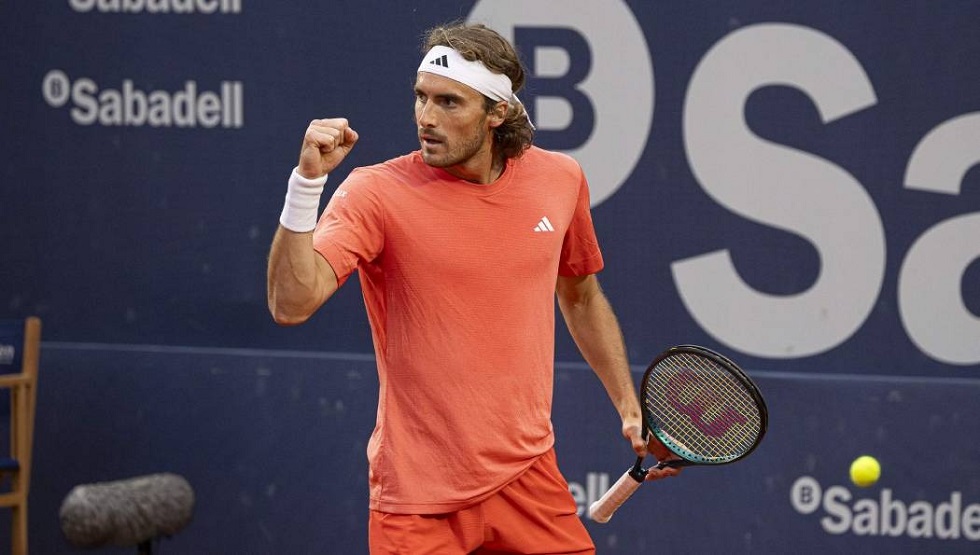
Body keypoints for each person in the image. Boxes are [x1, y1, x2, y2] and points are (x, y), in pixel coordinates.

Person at [267, 21, 680, 554]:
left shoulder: (560, 179)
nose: (426, 118)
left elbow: (580, 296)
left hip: (530, 478)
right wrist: (306, 184)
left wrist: (628, 404)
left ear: (496, 112)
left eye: (449, 103)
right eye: (421, 97)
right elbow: (291, 303)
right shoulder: (375, 193)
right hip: (419, 497)